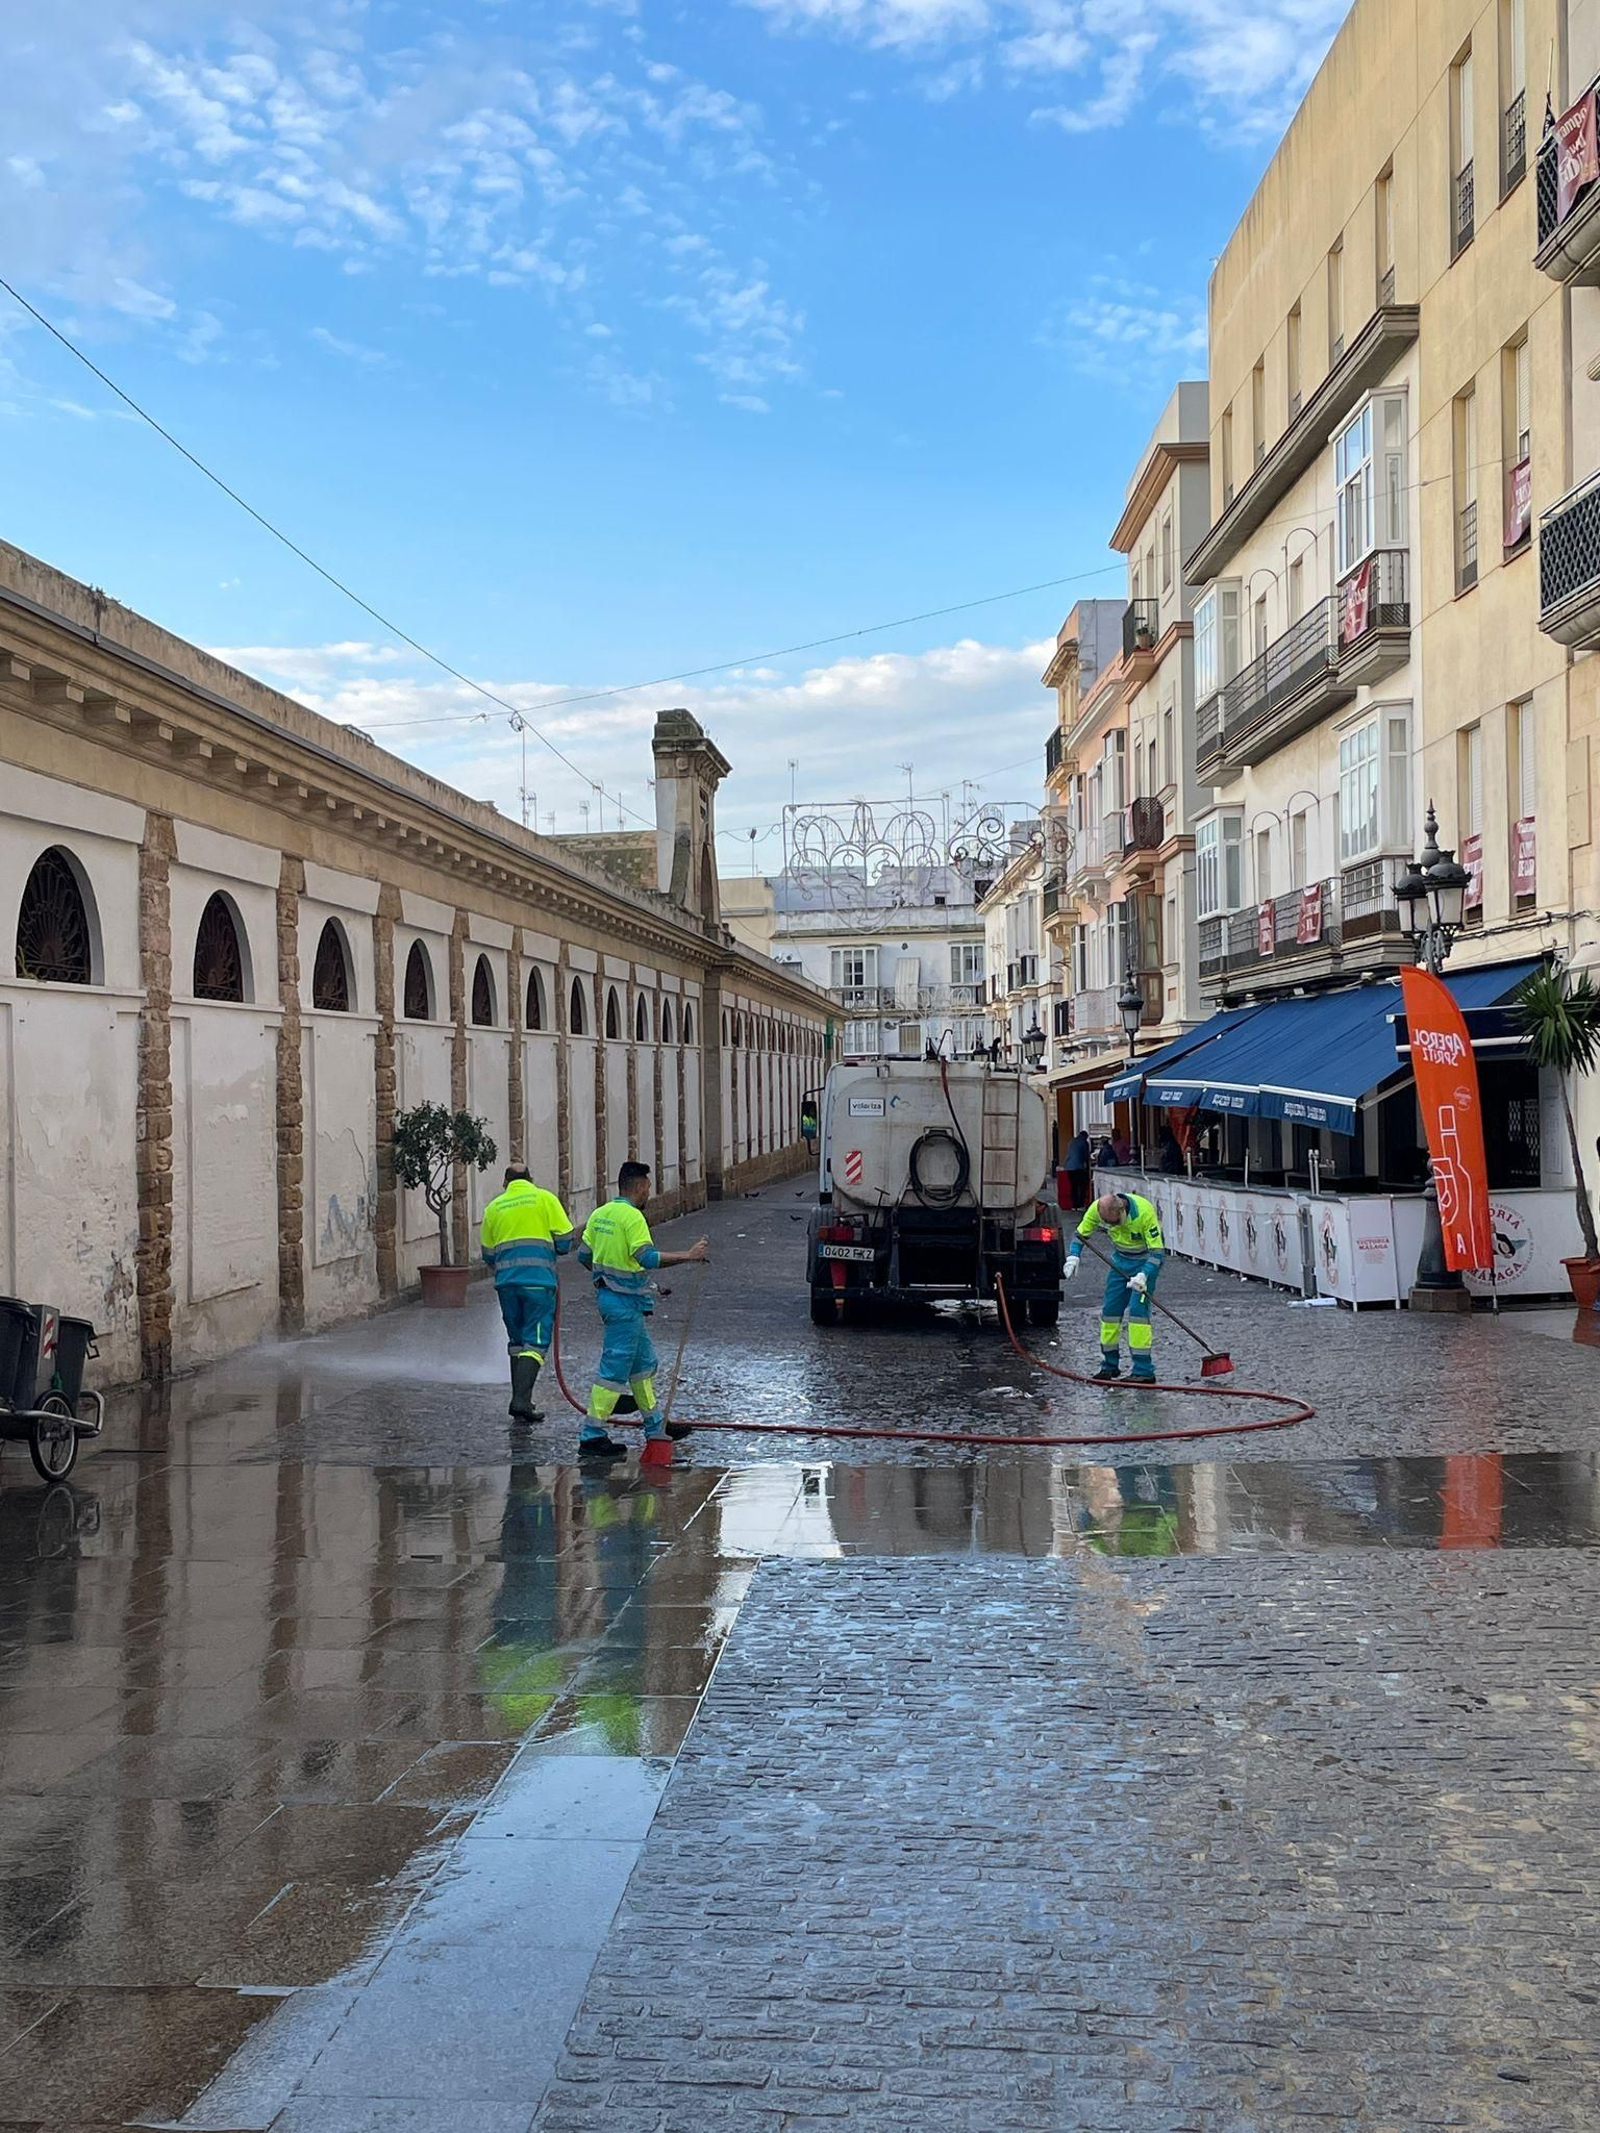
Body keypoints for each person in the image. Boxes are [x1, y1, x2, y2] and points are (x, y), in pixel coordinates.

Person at [577, 1161, 709, 1458]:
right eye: (648, 1186)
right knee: (613, 1372)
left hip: (613, 1300)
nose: (649, 1192)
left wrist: (605, 1275)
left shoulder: (600, 1214)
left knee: (644, 1366)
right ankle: (592, 1434)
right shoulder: (633, 1218)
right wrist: (688, 1256)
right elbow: (647, 1258)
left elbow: (584, 1255)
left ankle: (655, 1425)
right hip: (625, 1304)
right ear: (638, 1187)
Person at [480, 1164, 575, 1423]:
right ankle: (520, 1401)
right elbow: (566, 1241)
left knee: (518, 1342)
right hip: (538, 1283)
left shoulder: (494, 1207)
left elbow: (488, 1254)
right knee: (536, 1341)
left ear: (505, 1182)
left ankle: (523, 1400)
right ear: (530, 1179)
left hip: (506, 1285)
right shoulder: (545, 1198)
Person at [1062, 1188, 1167, 1384]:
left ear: (1122, 1211)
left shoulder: (1144, 1212)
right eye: (1108, 1224)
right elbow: (1080, 1235)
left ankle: (1144, 1370)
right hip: (1119, 1262)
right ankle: (1109, 1366)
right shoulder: (1098, 1208)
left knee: (1138, 1315)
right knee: (1110, 1314)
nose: (1113, 1227)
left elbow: (1158, 1253)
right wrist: (1074, 1256)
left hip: (1145, 1263)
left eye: (1115, 1222)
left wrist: (1143, 1275)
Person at [1062, 1128, 1093, 1211]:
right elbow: (1086, 1156)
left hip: (1069, 1167)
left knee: (1073, 1186)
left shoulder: (1071, 1141)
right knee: (1082, 1186)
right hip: (1078, 1167)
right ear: (1085, 1136)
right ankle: (1080, 1204)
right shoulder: (1084, 1142)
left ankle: (1074, 1205)